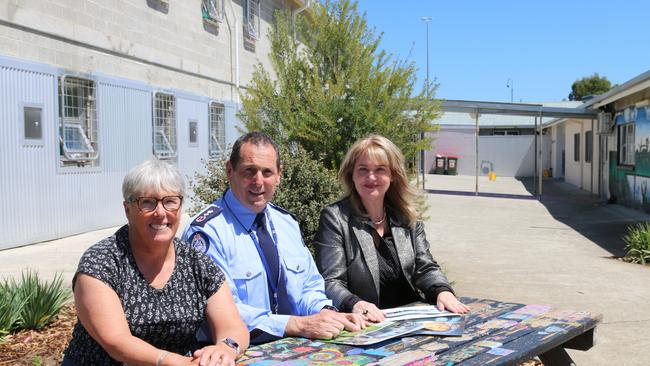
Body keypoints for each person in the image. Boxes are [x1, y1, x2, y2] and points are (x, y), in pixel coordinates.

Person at [182, 132, 365, 343]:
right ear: (230, 170)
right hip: (239, 351)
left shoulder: (285, 223)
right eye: (249, 171)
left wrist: (325, 312)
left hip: (298, 345)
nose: (258, 181)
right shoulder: (207, 232)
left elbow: (308, 287)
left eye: (267, 172)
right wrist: (296, 325)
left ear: (279, 175)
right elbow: (223, 311)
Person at [62, 159, 248, 366]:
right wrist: (171, 361)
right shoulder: (101, 263)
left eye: (170, 201)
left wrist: (225, 348)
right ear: (127, 210)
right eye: (147, 202)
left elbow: (232, 324)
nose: (160, 213)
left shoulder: (196, 263)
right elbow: (116, 342)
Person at [314, 135, 470, 323]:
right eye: (363, 169)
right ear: (351, 175)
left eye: (380, 169)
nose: (371, 177)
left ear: (393, 175)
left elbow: (425, 266)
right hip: (366, 324)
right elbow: (330, 281)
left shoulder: (407, 216)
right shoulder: (335, 218)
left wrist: (442, 290)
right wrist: (354, 303)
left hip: (412, 319)